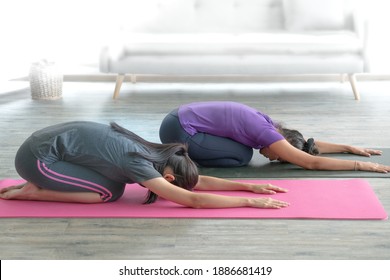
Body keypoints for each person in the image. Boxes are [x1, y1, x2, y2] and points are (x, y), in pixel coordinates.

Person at [0, 121, 289, 209]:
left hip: (46, 146)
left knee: (114, 185)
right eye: (166, 185)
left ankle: (44, 181)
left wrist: (246, 184)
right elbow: (193, 198)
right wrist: (250, 202)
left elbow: (194, 182)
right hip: (38, 160)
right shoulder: (139, 164)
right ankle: (32, 190)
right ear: (167, 177)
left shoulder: (156, 153)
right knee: (108, 194)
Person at [159, 101, 390, 173]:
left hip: (176, 118)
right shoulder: (265, 132)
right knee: (241, 156)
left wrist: (348, 147)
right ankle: (181, 158)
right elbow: (310, 161)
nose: (272, 159)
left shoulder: (272, 126)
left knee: (243, 151)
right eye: (279, 156)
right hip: (177, 131)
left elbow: (308, 146)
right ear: (283, 144)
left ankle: (189, 151)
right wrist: (361, 165)